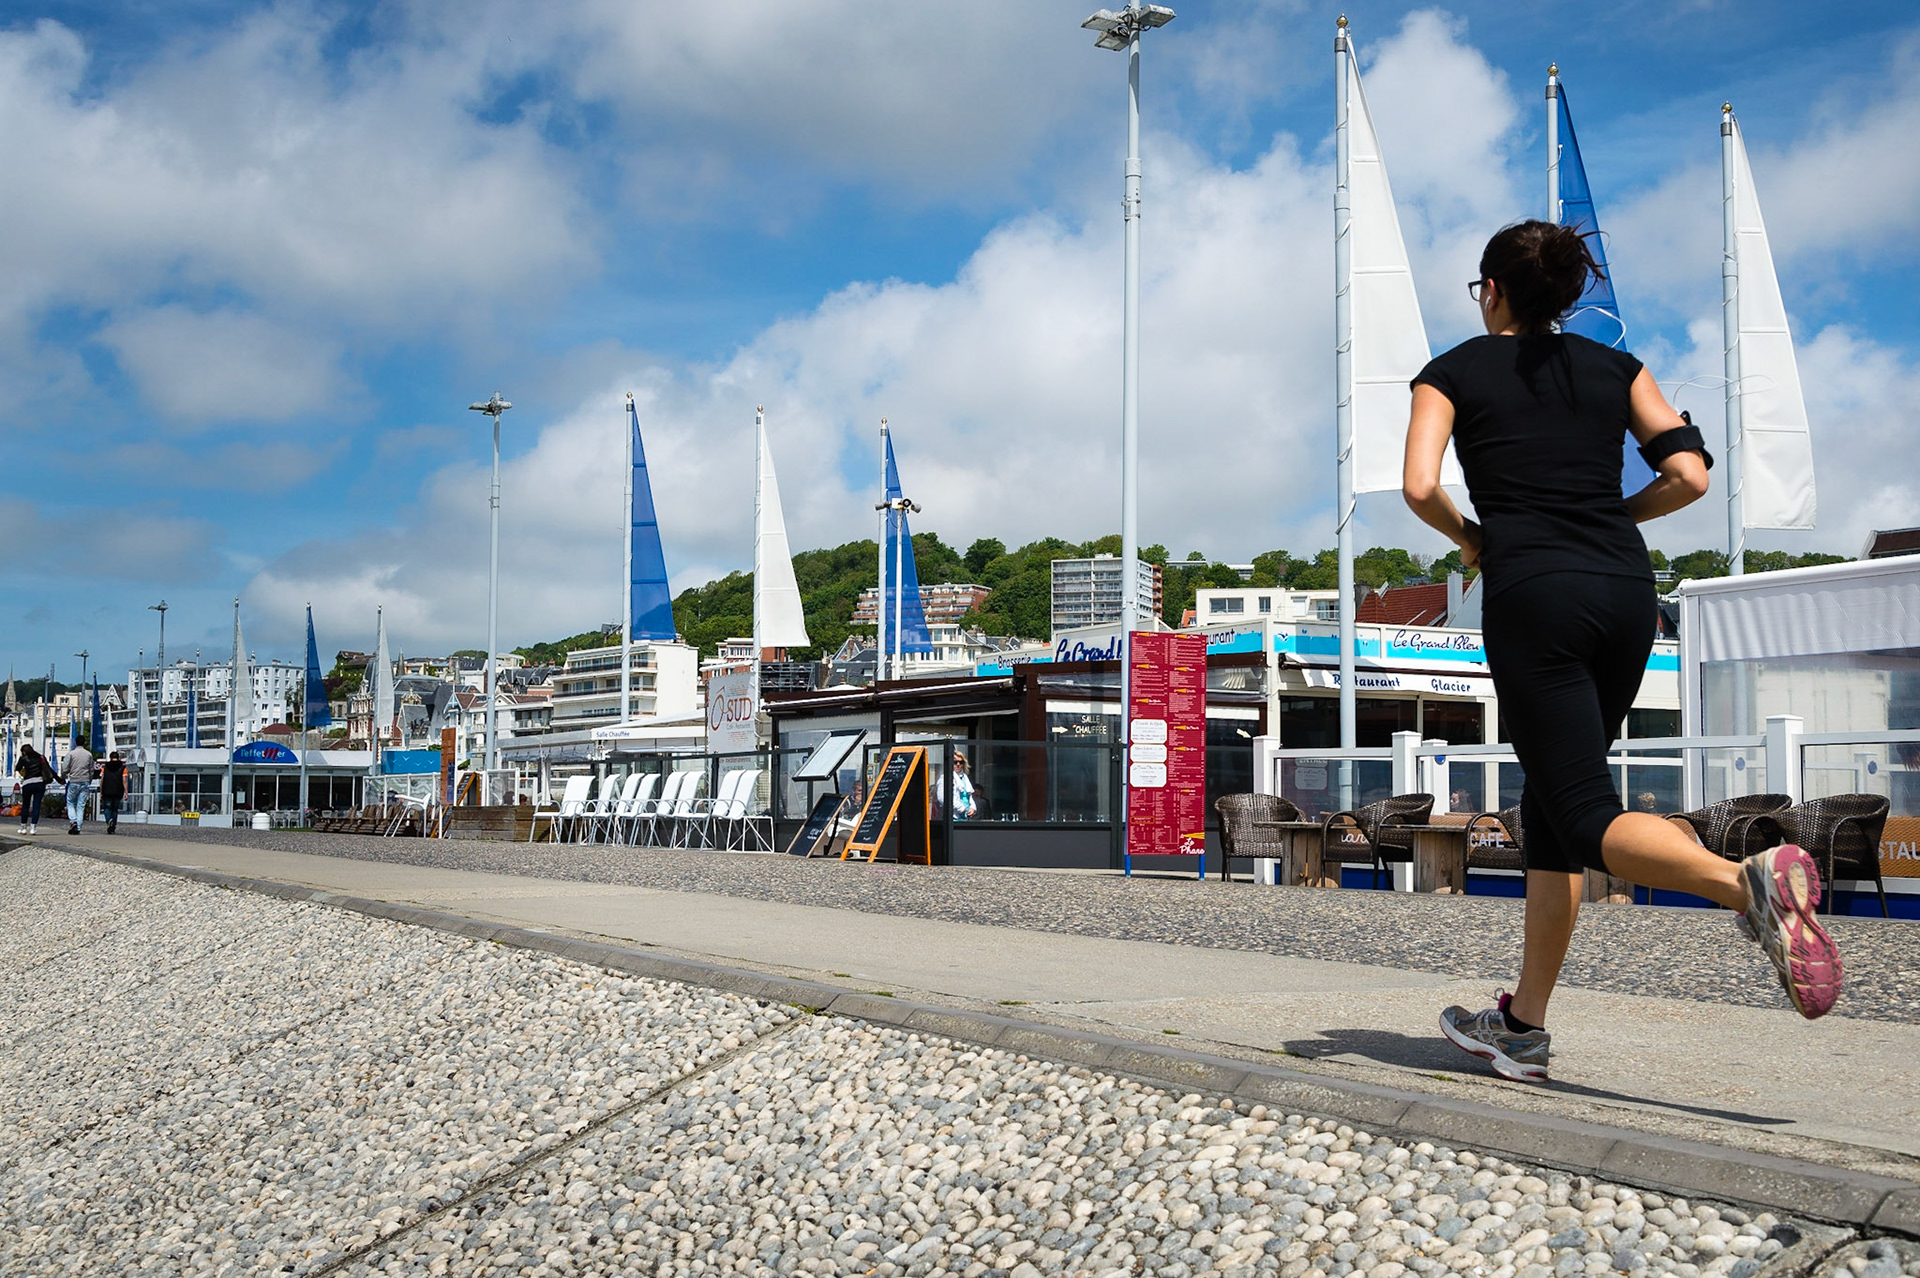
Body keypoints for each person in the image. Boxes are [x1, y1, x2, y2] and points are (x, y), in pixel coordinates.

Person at [1401, 219, 1841, 1084]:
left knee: (1588, 812)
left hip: (1536, 597)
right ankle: (1521, 1024)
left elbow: (1420, 485)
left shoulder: (1450, 371)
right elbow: (1691, 475)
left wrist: (1478, 539)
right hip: (1625, 594)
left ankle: (1746, 885)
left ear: (1492, 290)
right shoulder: (1619, 369)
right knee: (1557, 816)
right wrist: (1613, 521)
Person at [60, 738, 95, 835]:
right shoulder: (89, 754)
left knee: (70, 802)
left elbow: (64, 768)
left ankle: (73, 821)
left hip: (74, 780)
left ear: (75, 742)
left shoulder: (71, 754)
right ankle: (78, 826)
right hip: (85, 781)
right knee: (81, 805)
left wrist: (63, 777)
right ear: (85, 743)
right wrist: (89, 780)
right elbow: (91, 769)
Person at [15, 743, 52, 835]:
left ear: (24, 752)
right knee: (36, 805)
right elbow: (48, 769)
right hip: (39, 783)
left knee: (25, 806)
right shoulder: (41, 757)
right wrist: (59, 780)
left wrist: (24, 772)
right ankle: (33, 828)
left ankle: (23, 828)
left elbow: (17, 768)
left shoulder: (23, 758)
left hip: (28, 783)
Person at [99, 750, 129, 834]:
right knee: (115, 809)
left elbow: (102, 780)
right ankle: (113, 826)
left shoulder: (105, 767)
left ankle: (109, 820)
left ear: (110, 758)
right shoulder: (123, 767)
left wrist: (101, 792)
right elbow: (124, 781)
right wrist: (126, 792)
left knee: (107, 808)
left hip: (107, 791)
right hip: (118, 791)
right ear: (118, 758)